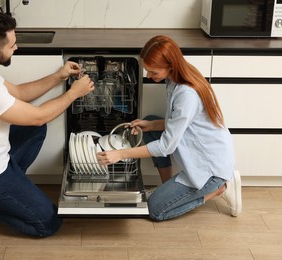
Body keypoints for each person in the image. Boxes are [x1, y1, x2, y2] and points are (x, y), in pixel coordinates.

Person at [0, 11, 94, 236]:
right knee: (49, 223)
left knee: (33, 131)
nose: (16, 48)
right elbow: (38, 115)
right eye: (12, 45)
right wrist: (74, 93)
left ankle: (8, 189)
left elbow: (19, 93)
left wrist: (59, 75)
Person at [96, 35, 242, 221]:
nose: (149, 76)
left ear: (171, 66)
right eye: (147, 71)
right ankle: (168, 188)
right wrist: (150, 125)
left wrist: (121, 154)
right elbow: (182, 122)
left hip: (211, 170)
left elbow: (166, 147)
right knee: (150, 124)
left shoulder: (186, 94)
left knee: (155, 210)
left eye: (153, 72)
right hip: (204, 153)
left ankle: (221, 189)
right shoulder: (177, 77)